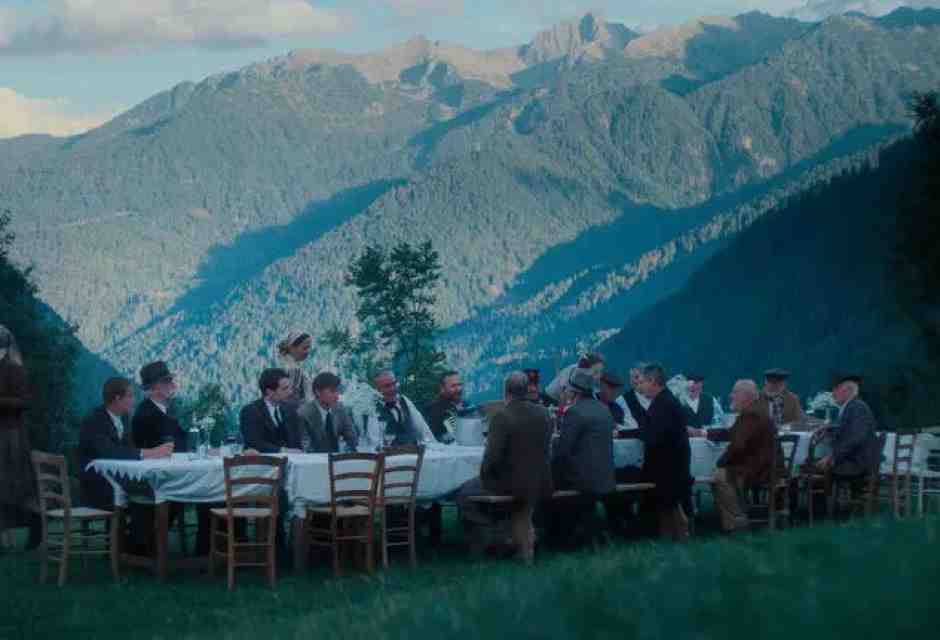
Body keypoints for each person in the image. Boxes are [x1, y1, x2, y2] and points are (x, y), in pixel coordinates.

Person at [457, 372, 554, 562]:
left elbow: (492, 457)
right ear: (527, 390)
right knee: (520, 509)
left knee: (464, 493)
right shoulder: (544, 413)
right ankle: (513, 538)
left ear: (505, 392)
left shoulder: (502, 416)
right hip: (542, 480)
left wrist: (485, 476)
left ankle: (498, 537)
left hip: (513, 484)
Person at [78, 378, 173, 509]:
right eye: (130, 396)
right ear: (117, 398)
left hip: (118, 479)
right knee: (155, 491)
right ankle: (139, 528)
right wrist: (151, 453)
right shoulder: (94, 420)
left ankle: (141, 528)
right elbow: (110, 452)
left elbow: (129, 448)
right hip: (98, 484)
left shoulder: (124, 417)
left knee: (160, 488)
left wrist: (157, 451)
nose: (134, 400)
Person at [548, 369, 615, 546]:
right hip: (606, 477)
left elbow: (563, 451)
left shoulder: (575, 412)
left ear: (574, 392)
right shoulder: (603, 409)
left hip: (584, 480)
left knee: (545, 485)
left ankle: (556, 537)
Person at [711, 380, 780, 533]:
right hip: (762, 467)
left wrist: (720, 462)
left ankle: (738, 520)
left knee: (719, 476)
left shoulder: (751, 415)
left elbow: (737, 445)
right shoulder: (753, 412)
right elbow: (733, 434)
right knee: (720, 474)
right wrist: (704, 433)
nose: (731, 396)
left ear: (746, 396)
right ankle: (730, 525)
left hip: (759, 471)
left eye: (735, 392)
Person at [637, 363, 691, 542]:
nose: (640, 385)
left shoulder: (663, 404)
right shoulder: (665, 401)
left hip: (667, 469)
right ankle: (667, 534)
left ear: (653, 381)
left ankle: (674, 530)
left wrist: (639, 431)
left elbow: (653, 437)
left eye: (642, 381)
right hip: (674, 466)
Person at [0, 325, 40, 549]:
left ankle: (37, 530)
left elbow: (25, 401)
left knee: (19, 487)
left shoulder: (15, 369)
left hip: (11, 437)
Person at [817, 374, 882, 478]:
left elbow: (854, 438)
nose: (832, 394)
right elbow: (847, 431)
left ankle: (825, 494)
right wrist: (829, 432)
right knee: (816, 465)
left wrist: (833, 456)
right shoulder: (853, 406)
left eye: (836, 390)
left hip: (856, 463)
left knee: (810, 469)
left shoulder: (857, 407)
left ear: (847, 391)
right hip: (856, 459)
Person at [240, 368, 303, 454]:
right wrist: (281, 451)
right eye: (285, 389)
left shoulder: (290, 410)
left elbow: (296, 442)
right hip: (262, 463)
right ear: (269, 392)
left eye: (290, 388)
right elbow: (255, 443)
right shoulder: (250, 411)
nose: (290, 392)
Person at [368, 370, 436, 446]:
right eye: (387, 386)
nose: (393, 388)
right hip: (389, 455)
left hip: (413, 452)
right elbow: (374, 441)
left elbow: (423, 429)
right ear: (377, 389)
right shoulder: (372, 408)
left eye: (394, 384)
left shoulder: (404, 400)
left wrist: (433, 446)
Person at [296, 372, 358, 453]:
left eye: (338, 391)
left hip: (338, 458)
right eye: (332, 391)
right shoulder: (304, 413)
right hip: (315, 460)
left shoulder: (340, 409)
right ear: (318, 392)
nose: (337, 396)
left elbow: (352, 438)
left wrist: (347, 447)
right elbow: (306, 446)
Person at [132, 361, 187, 450]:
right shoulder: (146, 415)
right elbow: (173, 446)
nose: (174, 385)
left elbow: (183, 439)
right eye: (167, 381)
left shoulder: (162, 411)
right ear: (154, 388)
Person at [423, 370, 464, 443]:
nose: (458, 389)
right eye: (453, 386)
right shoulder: (434, 409)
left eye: (459, 384)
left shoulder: (465, 404)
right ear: (442, 388)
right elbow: (431, 438)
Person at [277, 331, 313, 410]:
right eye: (305, 348)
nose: (308, 352)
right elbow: (292, 396)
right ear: (292, 348)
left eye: (309, 348)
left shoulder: (283, 363)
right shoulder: (293, 369)